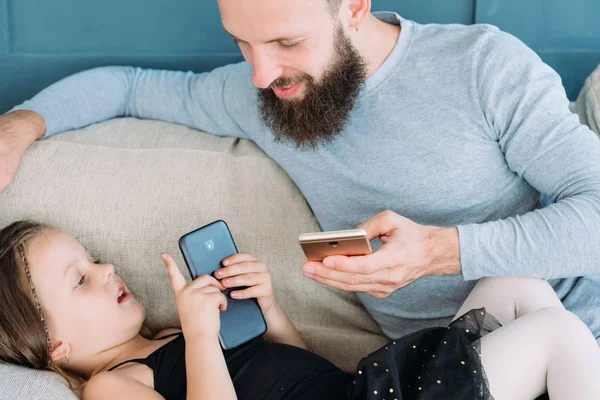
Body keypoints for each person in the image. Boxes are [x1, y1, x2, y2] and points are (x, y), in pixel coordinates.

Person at [1, 0, 600, 344]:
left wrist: (442, 251)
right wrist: (20, 125)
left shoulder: (482, 67)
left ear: (355, 6)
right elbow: (127, 85)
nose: (262, 73)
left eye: (287, 41)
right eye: (242, 43)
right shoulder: (263, 95)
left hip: (574, 328)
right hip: (435, 370)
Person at [1, 220, 599, 400]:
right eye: (80, 280)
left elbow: (299, 375)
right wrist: (202, 336)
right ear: (55, 348)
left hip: (362, 388)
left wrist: (268, 308)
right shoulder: (111, 386)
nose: (107, 270)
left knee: (516, 284)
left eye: (95, 258)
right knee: (557, 333)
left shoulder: (162, 336)